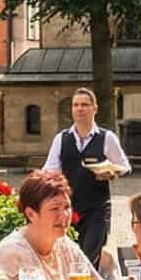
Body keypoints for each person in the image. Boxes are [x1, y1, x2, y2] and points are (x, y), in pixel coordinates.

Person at [0, 170, 135, 280]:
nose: (64, 215)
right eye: (55, 208)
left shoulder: (63, 243)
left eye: (67, 207)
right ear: (31, 214)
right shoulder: (13, 250)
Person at [40, 87, 128, 265]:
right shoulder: (61, 139)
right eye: (76, 105)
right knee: (66, 256)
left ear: (94, 109)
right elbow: (49, 170)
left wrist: (111, 173)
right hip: (67, 209)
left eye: (85, 105)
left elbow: (124, 166)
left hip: (97, 208)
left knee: (89, 257)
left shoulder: (106, 138)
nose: (80, 109)